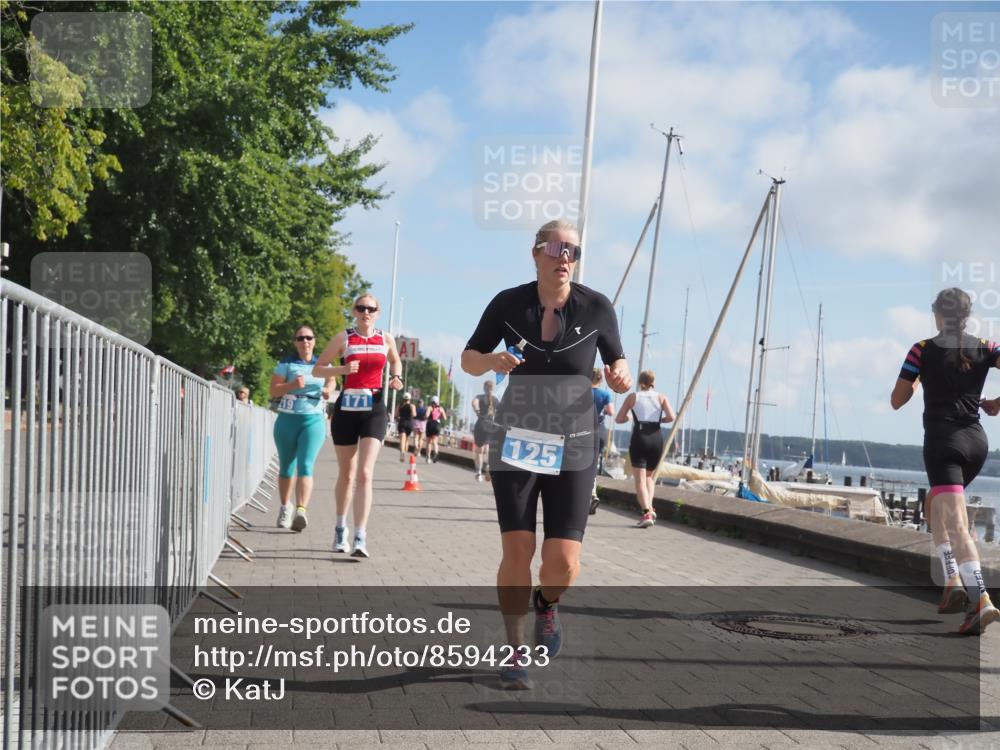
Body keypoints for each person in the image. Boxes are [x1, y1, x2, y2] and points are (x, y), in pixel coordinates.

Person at [462, 219, 631, 690]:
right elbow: (468, 357)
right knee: (518, 548)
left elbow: (618, 358)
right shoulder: (508, 303)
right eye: (557, 248)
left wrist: (619, 374)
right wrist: (493, 361)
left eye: (574, 250)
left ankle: (548, 603)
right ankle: (516, 650)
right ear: (536, 252)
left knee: (563, 563)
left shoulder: (597, 306)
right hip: (516, 436)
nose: (565, 258)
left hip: (575, 443)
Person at [891, 287, 999, 636]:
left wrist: (920, 377)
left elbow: (897, 400)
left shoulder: (921, 350)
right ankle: (953, 581)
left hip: (943, 444)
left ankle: (980, 597)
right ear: (966, 316)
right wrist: (998, 401)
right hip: (976, 444)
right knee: (935, 504)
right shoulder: (985, 346)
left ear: (937, 314)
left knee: (954, 521)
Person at [314, 294, 403, 559]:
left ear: (378, 312)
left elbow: (395, 359)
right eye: (361, 308)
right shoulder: (344, 338)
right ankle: (340, 528)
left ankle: (360, 536)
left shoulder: (385, 339)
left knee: (365, 473)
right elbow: (318, 369)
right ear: (354, 311)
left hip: (374, 408)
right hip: (347, 408)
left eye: (371, 309)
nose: (366, 312)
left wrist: (396, 377)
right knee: (347, 474)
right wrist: (341, 371)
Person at [268, 326, 335, 531]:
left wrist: (327, 390)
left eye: (309, 338)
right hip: (288, 419)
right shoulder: (286, 364)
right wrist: (291, 385)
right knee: (287, 467)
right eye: (300, 338)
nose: (305, 341)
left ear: (314, 341)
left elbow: (332, 379)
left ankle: (301, 510)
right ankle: (285, 507)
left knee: (306, 465)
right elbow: (273, 390)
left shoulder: (323, 363)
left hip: (313, 420)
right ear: (295, 342)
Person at [615, 370, 675, 528]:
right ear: (653, 382)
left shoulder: (633, 397)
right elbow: (671, 417)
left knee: (640, 479)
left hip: (639, 437)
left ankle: (646, 512)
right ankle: (650, 506)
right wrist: (658, 420)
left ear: (640, 382)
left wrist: (629, 417)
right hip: (656, 437)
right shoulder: (661, 397)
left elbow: (619, 418)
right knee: (649, 477)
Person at [589, 368, 614, 514]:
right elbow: (611, 412)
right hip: (599, 431)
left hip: (582, 430)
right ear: (601, 379)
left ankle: (586, 493)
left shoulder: (582, 392)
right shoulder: (604, 394)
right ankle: (592, 491)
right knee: (594, 463)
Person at [472, 380, 500, 482]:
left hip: (481, 424)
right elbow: (499, 412)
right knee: (487, 449)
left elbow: (474, 402)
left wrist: (477, 411)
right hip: (491, 426)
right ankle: (488, 466)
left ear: (484, 387)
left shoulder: (479, 397)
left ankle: (479, 472)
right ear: (492, 388)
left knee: (479, 451)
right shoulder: (496, 400)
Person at [425, 395, 447, 463]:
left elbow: (426, 415)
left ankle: (428, 457)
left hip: (430, 424)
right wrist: (439, 416)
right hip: (437, 425)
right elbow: (445, 418)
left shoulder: (430, 407)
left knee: (429, 442)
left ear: (432, 401)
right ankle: (436, 454)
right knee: (435, 441)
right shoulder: (441, 408)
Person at [396, 392, 415, 461]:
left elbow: (396, 415)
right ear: (410, 399)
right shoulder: (412, 406)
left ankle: (402, 452)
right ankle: (405, 453)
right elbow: (414, 415)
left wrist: (399, 417)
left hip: (402, 422)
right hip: (409, 423)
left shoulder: (399, 405)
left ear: (403, 398)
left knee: (402, 439)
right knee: (407, 439)